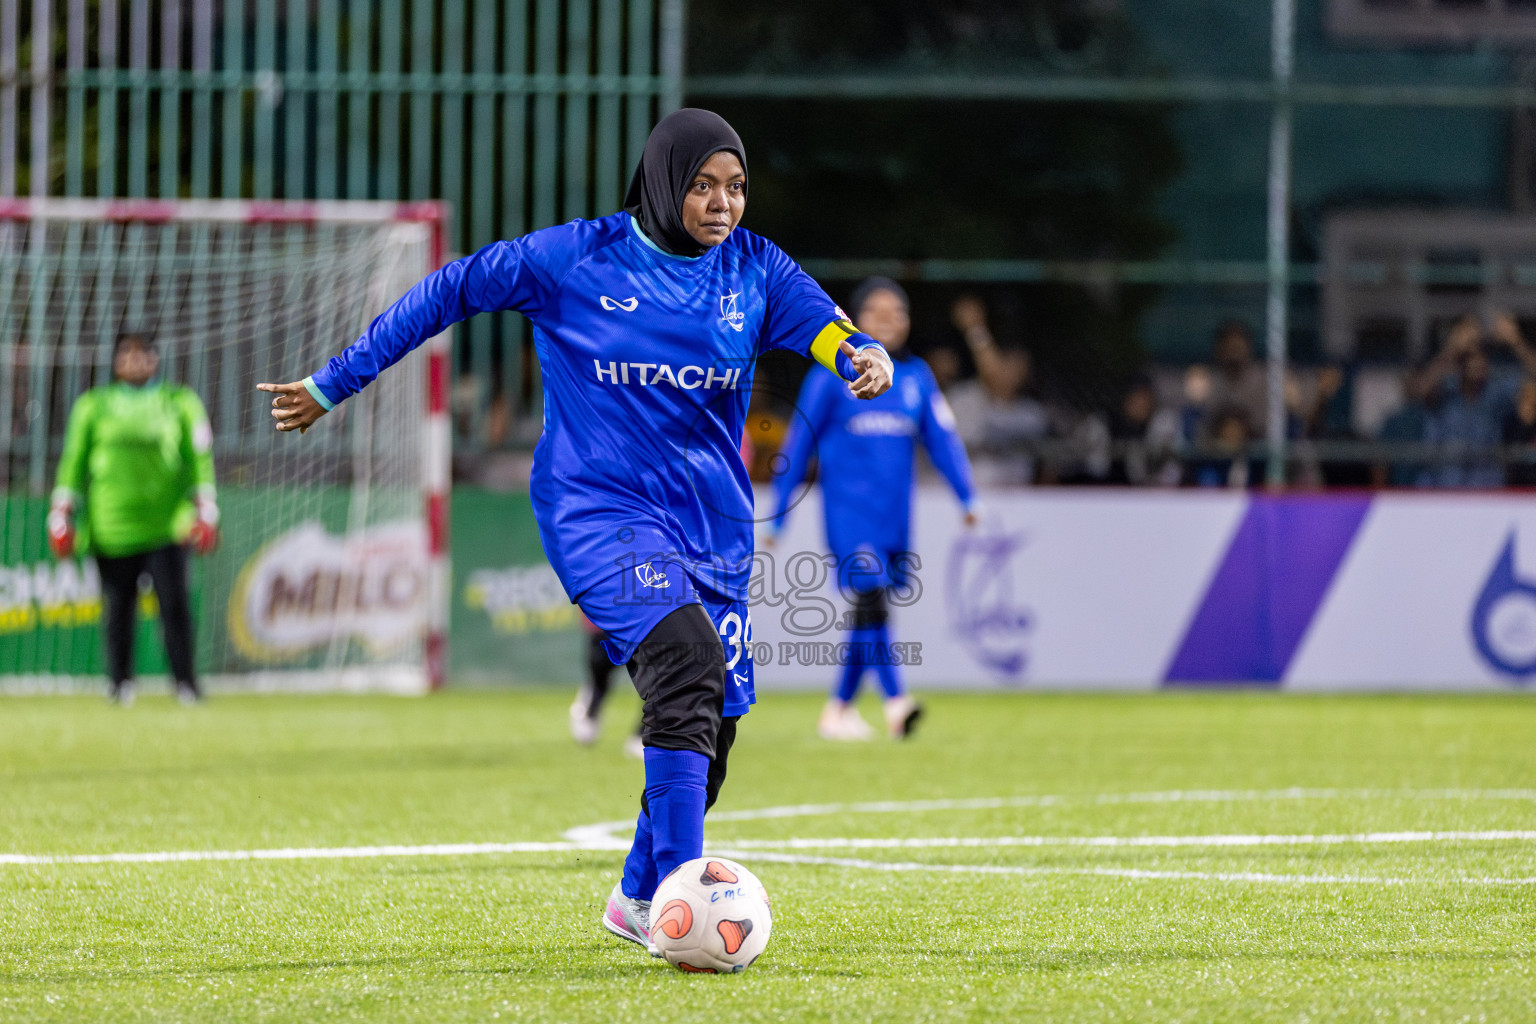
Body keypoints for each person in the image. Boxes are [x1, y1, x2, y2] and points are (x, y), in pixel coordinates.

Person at [255, 109, 893, 955]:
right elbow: (447, 290)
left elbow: (828, 329)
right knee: (687, 669)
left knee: (714, 730)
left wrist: (859, 355)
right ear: (666, 182)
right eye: (702, 185)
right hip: (599, 511)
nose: (721, 203)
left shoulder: (754, 270)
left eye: (735, 187)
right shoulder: (575, 259)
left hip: (714, 524)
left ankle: (636, 899)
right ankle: (683, 905)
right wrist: (334, 384)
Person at [767, 277, 976, 741]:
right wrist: (779, 513)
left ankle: (838, 708)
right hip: (848, 516)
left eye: (897, 312)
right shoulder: (828, 377)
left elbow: (942, 441)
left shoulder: (916, 378)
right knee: (871, 596)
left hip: (894, 520)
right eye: (878, 312)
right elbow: (798, 446)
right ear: (857, 320)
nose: (889, 321)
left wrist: (967, 496)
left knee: (871, 610)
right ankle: (896, 702)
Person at [48, 332, 220, 705]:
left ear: (156, 360)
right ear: (115, 361)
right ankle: (120, 684)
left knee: (174, 607)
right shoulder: (94, 405)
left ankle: (186, 685)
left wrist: (207, 509)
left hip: (168, 524)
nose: (136, 360)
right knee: (118, 610)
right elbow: (73, 462)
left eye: (144, 353)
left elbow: (199, 459)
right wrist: (61, 511)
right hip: (113, 526)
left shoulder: (179, 401)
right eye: (127, 353)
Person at [1411, 313, 1536, 488]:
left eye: (1482, 356)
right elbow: (1417, 391)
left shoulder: (1496, 391)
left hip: (1486, 489)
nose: (1477, 363)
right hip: (1442, 489)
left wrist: (1516, 342)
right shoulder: (1445, 387)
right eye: (1470, 357)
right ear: (1460, 362)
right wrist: (1453, 348)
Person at [946, 295, 1049, 486]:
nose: (1011, 373)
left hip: (1018, 504)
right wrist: (976, 330)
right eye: (1007, 363)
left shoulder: (1031, 415)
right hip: (963, 500)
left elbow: (998, 384)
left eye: (1019, 368)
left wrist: (975, 329)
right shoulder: (963, 398)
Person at [570, 617, 645, 758]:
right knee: (600, 675)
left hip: (643, 624)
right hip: (606, 624)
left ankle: (642, 735)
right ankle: (590, 710)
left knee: (655, 682)